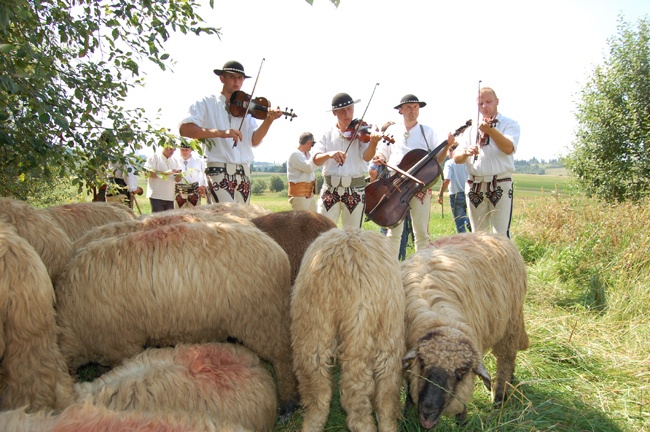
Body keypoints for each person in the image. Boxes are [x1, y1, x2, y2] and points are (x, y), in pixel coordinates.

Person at [178, 60, 282, 205]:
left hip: (244, 173)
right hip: (218, 170)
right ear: (222, 78)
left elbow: (254, 141)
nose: (236, 81)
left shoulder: (247, 108)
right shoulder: (206, 103)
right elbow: (185, 129)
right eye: (232, 77)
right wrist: (222, 133)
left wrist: (268, 120)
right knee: (225, 218)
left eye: (240, 78)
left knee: (243, 221)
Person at [373, 94, 455, 256]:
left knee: (421, 233)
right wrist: (380, 158)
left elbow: (437, 159)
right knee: (393, 233)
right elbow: (382, 152)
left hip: (419, 186)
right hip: (395, 185)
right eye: (409, 107)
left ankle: (422, 271)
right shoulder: (392, 130)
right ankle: (392, 270)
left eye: (416, 107)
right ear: (400, 110)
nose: (413, 111)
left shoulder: (427, 131)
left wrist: (447, 146)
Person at [453, 87, 520, 238]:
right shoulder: (471, 129)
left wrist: (491, 131)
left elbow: (509, 148)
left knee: (500, 235)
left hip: (499, 182)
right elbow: (457, 157)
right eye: (480, 103)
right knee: (478, 236)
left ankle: (503, 262)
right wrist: (466, 152)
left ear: (497, 102)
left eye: (488, 102)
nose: (484, 106)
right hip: (474, 184)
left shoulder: (509, 124)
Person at [311, 93, 381, 228]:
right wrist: (330, 154)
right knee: (322, 232)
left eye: (350, 109)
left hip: (354, 189)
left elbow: (367, 157)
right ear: (334, 113)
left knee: (352, 235)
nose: (347, 113)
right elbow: (316, 160)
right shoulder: (327, 133)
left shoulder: (361, 132)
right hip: (330, 189)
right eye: (342, 111)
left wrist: (373, 143)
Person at [437, 145, 470, 233]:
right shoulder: (466, 161)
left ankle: (464, 237)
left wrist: (440, 194)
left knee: (459, 220)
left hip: (456, 194)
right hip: (468, 192)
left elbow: (446, 179)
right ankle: (470, 223)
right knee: (467, 213)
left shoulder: (449, 163)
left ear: (451, 151)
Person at [144, 145, 183, 213]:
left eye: (174, 149)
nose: (172, 151)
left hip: (170, 196)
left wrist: (178, 175)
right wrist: (166, 173)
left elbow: (177, 179)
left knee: (169, 221)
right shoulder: (154, 157)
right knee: (157, 220)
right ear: (164, 147)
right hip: (157, 195)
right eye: (170, 149)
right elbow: (147, 173)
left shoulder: (175, 160)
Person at [287, 132, 318, 211]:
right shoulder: (295, 154)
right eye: (312, 144)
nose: (312, 147)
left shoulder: (307, 154)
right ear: (308, 143)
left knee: (314, 220)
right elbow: (309, 168)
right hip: (300, 194)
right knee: (301, 221)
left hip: (309, 193)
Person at [173, 143, 207, 209]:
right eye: (182, 150)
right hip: (179, 190)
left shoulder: (198, 161)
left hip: (194, 190)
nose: (184, 152)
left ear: (191, 150)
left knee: (194, 213)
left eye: (186, 150)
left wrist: (203, 185)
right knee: (179, 213)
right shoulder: (175, 161)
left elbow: (203, 173)